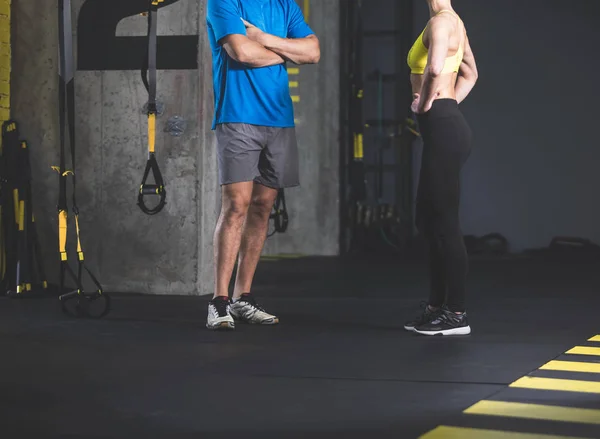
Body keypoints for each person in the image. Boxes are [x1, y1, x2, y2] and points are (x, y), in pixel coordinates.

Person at [205, 0, 320, 330]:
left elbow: (313, 52)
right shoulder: (223, 2)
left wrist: (263, 39)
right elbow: (240, 52)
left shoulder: (286, 5)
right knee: (236, 206)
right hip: (238, 116)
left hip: (279, 119)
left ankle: (243, 296)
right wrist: (287, 51)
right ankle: (219, 300)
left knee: (263, 207)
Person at [404, 0, 478, 336]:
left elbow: (434, 69)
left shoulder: (441, 23)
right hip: (445, 126)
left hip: (445, 128)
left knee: (444, 221)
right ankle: (436, 306)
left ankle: (457, 313)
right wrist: (444, 104)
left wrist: (427, 103)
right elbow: (471, 73)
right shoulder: (454, 23)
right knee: (427, 218)